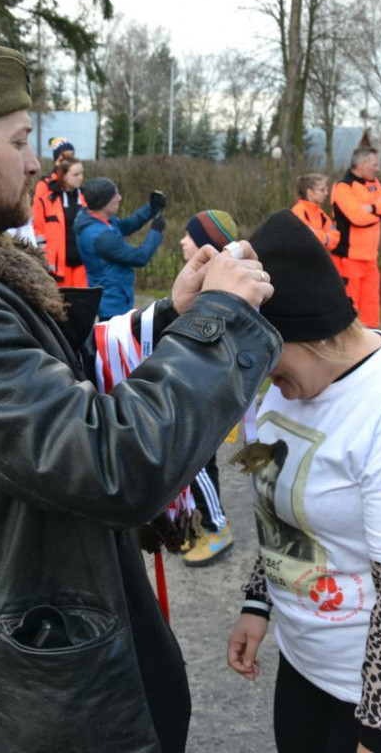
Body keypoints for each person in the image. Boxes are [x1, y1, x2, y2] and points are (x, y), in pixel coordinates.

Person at [0, 41, 280, 753]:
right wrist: (221, 321)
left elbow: (51, 393)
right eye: (21, 141)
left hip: (47, 644)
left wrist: (176, 318)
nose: (35, 162)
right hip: (40, 698)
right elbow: (112, 462)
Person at [226, 209, 381, 753]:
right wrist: (258, 603)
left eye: (268, 361)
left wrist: (378, 738)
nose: (262, 379)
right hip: (309, 662)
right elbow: (283, 506)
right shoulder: (289, 384)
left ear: (312, 335)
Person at [176, 210, 241, 566]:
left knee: (196, 463)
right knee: (197, 464)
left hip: (208, 392)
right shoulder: (200, 281)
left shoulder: (218, 288)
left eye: (190, 235)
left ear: (207, 244)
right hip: (196, 389)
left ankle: (218, 528)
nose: (183, 241)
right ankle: (203, 525)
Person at [75, 176, 167, 318]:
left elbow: (126, 225)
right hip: (113, 303)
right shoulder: (101, 237)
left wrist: (151, 209)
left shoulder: (94, 218)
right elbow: (139, 257)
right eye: (114, 195)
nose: (119, 198)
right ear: (103, 202)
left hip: (113, 298)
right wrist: (155, 232)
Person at [330, 146, 381, 328]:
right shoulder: (343, 187)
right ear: (361, 164)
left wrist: (373, 208)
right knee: (349, 306)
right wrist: (377, 208)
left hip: (370, 258)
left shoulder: (373, 183)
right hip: (349, 258)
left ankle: (371, 340)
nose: (378, 168)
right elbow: (358, 218)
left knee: (371, 305)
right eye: (375, 164)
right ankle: (348, 347)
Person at [32, 155, 87, 287]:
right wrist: (44, 257)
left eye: (82, 173)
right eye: (76, 174)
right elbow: (37, 229)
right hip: (58, 266)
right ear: (64, 176)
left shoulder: (87, 197)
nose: (81, 177)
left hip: (83, 265)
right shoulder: (46, 199)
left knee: (85, 303)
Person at [290, 173, 340, 251]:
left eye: (326, 190)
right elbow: (306, 237)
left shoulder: (321, 214)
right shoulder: (298, 211)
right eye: (322, 190)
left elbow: (336, 237)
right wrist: (324, 237)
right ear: (309, 192)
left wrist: (319, 236)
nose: (326, 193)